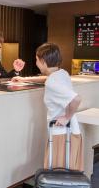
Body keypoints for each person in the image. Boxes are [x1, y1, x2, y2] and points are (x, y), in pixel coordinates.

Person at [12, 43, 83, 171]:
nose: (36, 63)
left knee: (58, 173)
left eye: (36, 60)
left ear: (43, 62)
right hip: (71, 130)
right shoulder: (62, 72)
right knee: (67, 173)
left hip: (60, 132)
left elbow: (76, 99)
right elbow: (49, 79)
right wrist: (24, 79)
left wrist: (67, 117)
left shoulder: (52, 82)